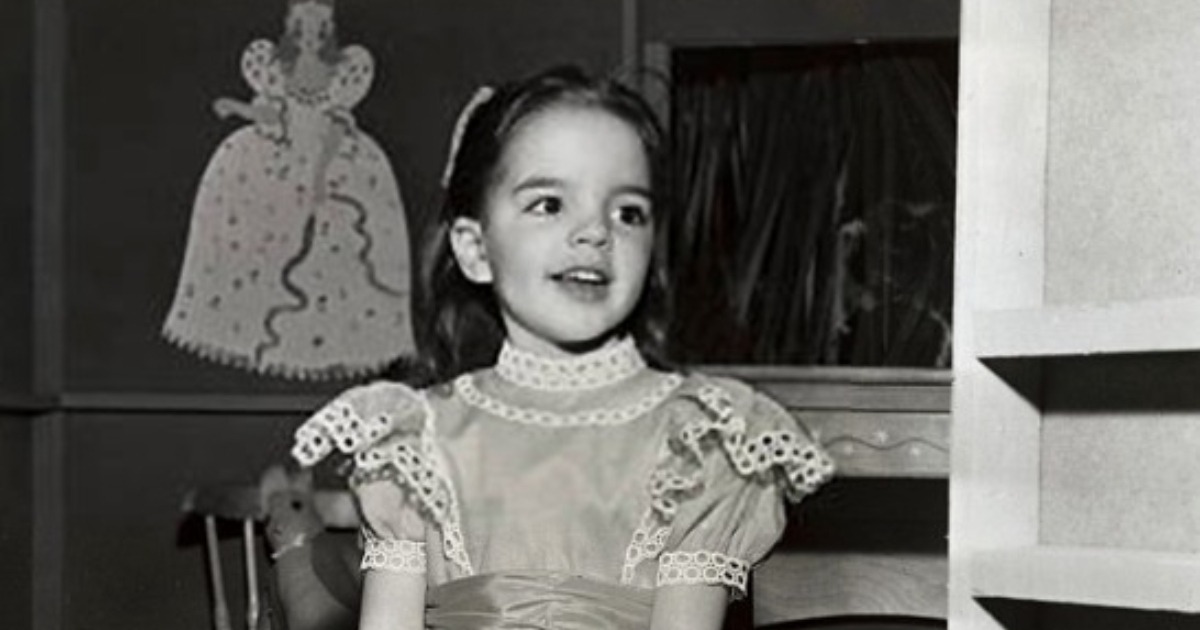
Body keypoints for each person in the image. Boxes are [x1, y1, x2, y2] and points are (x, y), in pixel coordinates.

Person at [286, 65, 835, 629]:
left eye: (628, 213)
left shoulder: (700, 441)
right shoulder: (412, 443)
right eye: (549, 204)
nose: (595, 232)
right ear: (475, 249)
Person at [163, 0, 415, 379]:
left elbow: (334, 128)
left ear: (327, 30)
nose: (310, 35)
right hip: (275, 160)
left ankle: (326, 341)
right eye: (302, 27)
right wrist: (236, 107)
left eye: (318, 28)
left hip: (331, 161)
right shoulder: (274, 68)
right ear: (291, 28)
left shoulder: (343, 72)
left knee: (332, 247)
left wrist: (320, 175)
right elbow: (272, 116)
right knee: (261, 238)